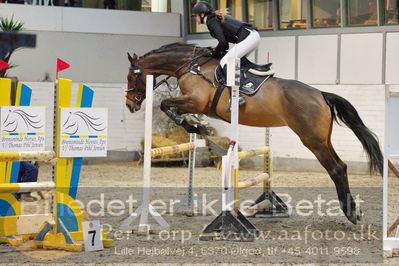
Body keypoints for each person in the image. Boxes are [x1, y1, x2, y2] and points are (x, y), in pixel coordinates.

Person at [192, 1, 260, 105]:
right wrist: (215, 52)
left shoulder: (211, 21)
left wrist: (213, 53)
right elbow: (225, 45)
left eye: (195, 15)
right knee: (236, 62)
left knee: (226, 62)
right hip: (252, 36)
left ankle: (237, 96)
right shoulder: (213, 19)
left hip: (249, 37)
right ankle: (246, 87)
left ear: (202, 14)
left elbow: (222, 43)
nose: (194, 18)